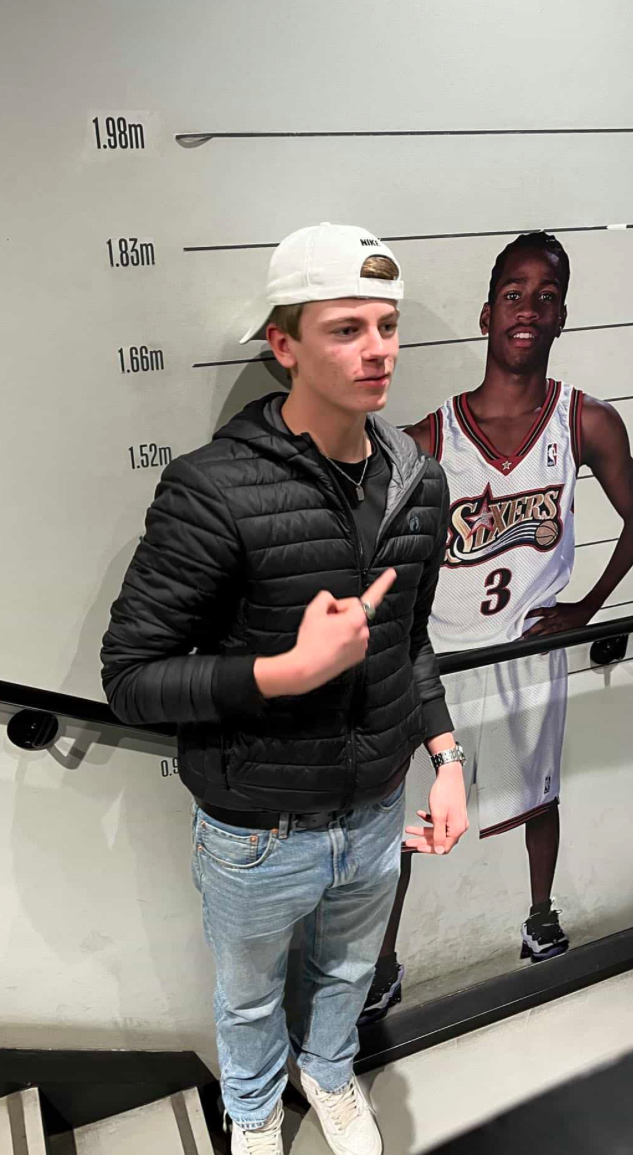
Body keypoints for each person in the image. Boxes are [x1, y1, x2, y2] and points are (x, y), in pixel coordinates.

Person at [100, 222, 468, 1155]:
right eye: (345, 328)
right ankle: (255, 1111)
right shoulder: (212, 489)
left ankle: (330, 1074)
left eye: (386, 325)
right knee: (249, 993)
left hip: (377, 809)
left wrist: (446, 756)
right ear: (284, 344)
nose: (377, 350)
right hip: (256, 829)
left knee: (347, 973)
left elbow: (410, 638)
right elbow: (131, 678)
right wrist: (284, 673)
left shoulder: (418, 482)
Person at [360, 230, 633, 1024]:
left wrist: (583, 607)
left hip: (529, 650)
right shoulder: (430, 437)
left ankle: (538, 918)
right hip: (444, 657)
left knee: (538, 795)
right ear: (487, 313)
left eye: (546, 295)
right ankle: (383, 961)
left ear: (561, 315)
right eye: (514, 294)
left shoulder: (584, 421)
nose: (528, 307)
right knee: (403, 812)